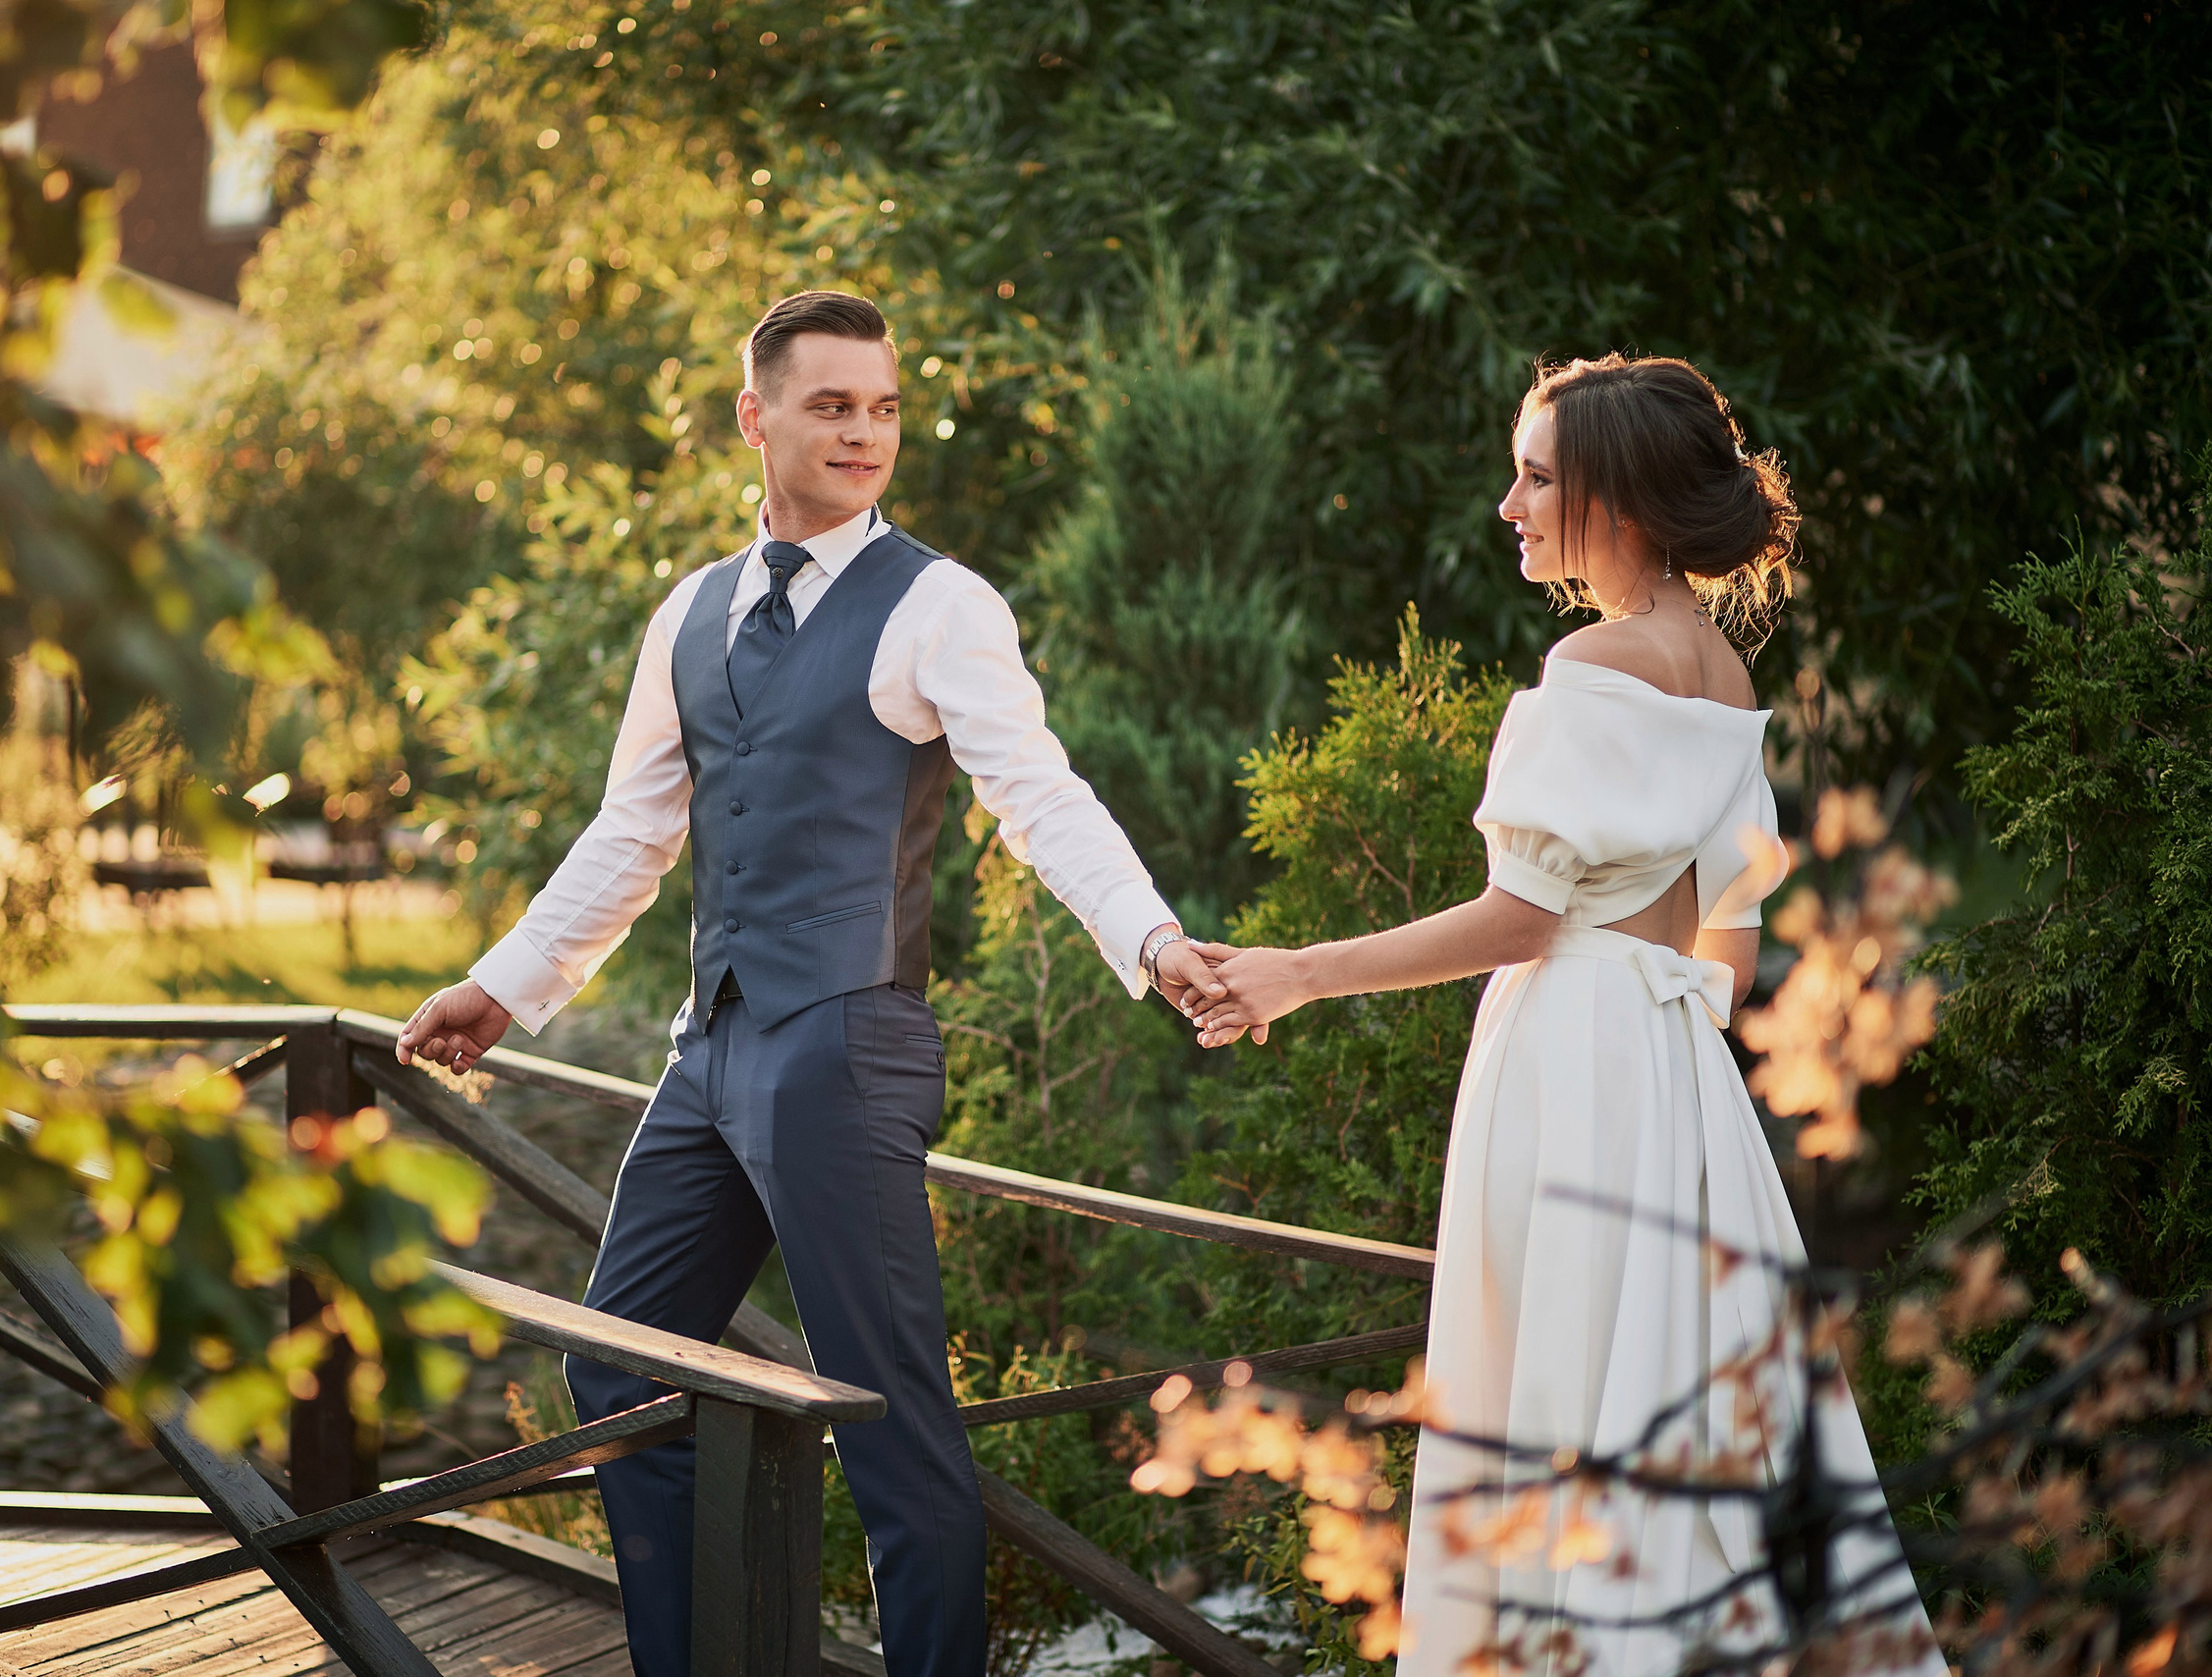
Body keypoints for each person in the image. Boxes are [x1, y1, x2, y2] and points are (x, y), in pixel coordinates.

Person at [395, 290, 1223, 1677]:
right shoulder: (691, 610)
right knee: (619, 1369)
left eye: (884, 407)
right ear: (755, 415)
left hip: (846, 1047)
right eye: (832, 405)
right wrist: (504, 983)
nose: (864, 432)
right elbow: (636, 828)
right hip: (710, 1050)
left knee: (889, 1423)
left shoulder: (942, 607)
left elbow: (1042, 797)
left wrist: (1149, 939)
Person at [1183, 355, 1942, 1675]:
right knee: (1669, 1393)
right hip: (1669, 1076)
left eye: (1537, 476)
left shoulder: (1594, 667)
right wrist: (1667, 1063)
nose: (1509, 504)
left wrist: (1296, 970)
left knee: (1557, 1386)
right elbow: (1737, 928)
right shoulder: (1720, 675)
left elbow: (1522, 918)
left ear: (1623, 499)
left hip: (1571, 1059)